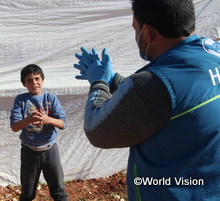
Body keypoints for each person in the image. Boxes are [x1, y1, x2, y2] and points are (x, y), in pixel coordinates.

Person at [73, 0, 220, 200]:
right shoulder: (213, 54)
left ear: (148, 33)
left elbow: (96, 130)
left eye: (136, 29)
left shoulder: (155, 83)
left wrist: (99, 82)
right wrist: (114, 80)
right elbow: (176, 100)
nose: (136, 36)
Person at [10, 64, 68, 201]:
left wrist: (47, 119)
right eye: (29, 80)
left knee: (58, 190)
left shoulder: (51, 98)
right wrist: (29, 119)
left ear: (42, 80)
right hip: (29, 151)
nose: (34, 83)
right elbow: (14, 126)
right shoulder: (21, 100)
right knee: (27, 192)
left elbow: (63, 123)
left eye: (37, 78)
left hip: (50, 149)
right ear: (24, 84)